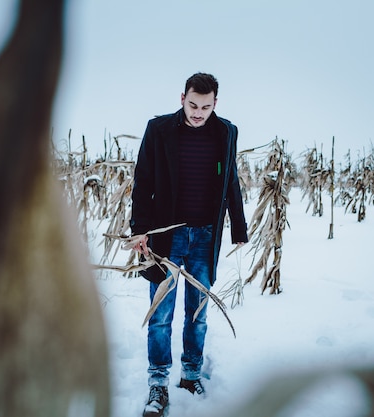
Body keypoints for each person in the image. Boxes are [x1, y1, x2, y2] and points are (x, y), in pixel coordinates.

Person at [130, 72, 248, 417]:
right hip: (167, 235)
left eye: (205, 107)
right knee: (160, 314)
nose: (198, 113)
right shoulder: (159, 130)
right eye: (193, 104)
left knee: (197, 313)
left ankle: (191, 375)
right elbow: (143, 181)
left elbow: (231, 180)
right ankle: (158, 383)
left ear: (215, 104)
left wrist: (238, 227)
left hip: (205, 235)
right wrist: (140, 230)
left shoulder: (227, 132)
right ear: (182, 97)